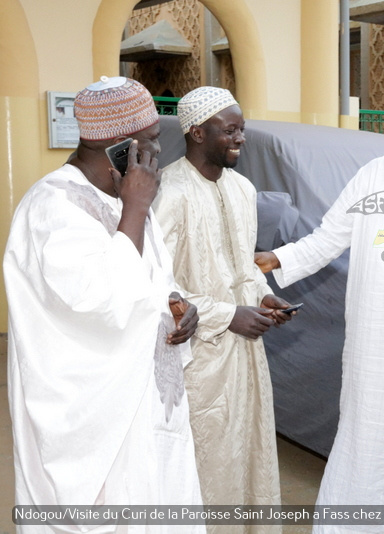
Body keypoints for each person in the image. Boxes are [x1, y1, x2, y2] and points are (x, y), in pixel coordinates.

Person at [4, 76, 204, 528]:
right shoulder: (53, 206)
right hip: (98, 419)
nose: (158, 152)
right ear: (122, 147)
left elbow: (153, 278)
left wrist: (178, 304)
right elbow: (100, 299)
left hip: (148, 404)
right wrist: (134, 209)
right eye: (151, 141)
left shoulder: (128, 195)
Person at [253, 88, 384, 533]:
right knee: (367, 434)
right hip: (374, 335)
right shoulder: (372, 175)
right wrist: (277, 258)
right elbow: (328, 238)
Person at [152, 86, 294, 532]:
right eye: (229, 130)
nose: (240, 139)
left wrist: (264, 297)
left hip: (246, 355)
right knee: (206, 457)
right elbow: (158, 285)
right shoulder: (168, 193)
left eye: (242, 130)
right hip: (197, 359)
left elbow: (243, 266)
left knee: (247, 450)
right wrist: (228, 315)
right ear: (196, 132)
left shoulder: (243, 189)